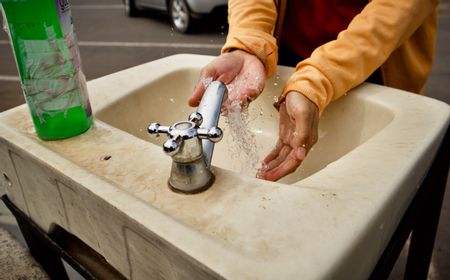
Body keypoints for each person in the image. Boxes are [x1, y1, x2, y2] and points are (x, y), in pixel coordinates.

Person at [188, 0, 439, 181]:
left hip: (374, 66)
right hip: (288, 57)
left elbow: (398, 9)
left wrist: (319, 78)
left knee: (364, 182)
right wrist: (248, 44)